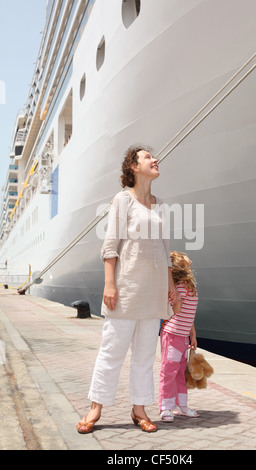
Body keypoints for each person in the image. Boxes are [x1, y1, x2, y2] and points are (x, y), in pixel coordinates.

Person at [76, 145, 179, 434]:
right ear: (133, 167)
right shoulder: (123, 200)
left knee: (146, 354)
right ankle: (96, 408)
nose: (154, 159)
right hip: (126, 290)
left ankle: (139, 409)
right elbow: (111, 245)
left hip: (153, 292)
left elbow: (164, 249)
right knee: (112, 351)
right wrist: (110, 283)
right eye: (147, 157)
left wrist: (172, 289)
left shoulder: (159, 204)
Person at [158, 251, 200, 422]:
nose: (187, 257)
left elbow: (189, 315)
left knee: (180, 373)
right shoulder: (176, 288)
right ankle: (165, 407)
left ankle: (181, 405)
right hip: (172, 335)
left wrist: (193, 334)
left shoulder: (190, 286)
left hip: (183, 337)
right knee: (169, 372)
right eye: (183, 256)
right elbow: (173, 310)